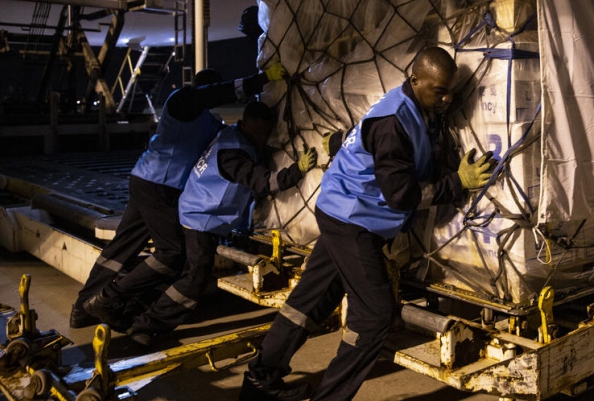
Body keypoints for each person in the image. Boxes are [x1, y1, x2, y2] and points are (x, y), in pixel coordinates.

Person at [239, 47, 496, 401]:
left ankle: (258, 382)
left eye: (450, 90)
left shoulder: (410, 108)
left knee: (309, 302)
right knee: (375, 316)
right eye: (439, 90)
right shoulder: (395, 123)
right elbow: (401, 196)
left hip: (342, 210)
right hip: (353, 220)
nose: (447, 97)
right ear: (415, 79)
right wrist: (458, 183)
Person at [72, 63, 287, 330]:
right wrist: (261, 80)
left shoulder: (210, 122)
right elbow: (215, 96)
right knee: (172, 252)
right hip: (160, 187)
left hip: (147, 181)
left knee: (120, 249)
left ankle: (83, 309)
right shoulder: (183, 101)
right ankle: (107, 301)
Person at [125, 101, 318, 347]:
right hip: (201, 217)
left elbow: (259, 155)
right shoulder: (232, 153)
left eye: (264, 133)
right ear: (245, 123)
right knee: (196, 276)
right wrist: (296, 171)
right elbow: (262, 182)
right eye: (257, 132)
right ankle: (147, 324)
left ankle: (146, 312)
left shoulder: (233, 136)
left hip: (200, 211)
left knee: (192, 272)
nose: (261, 138)